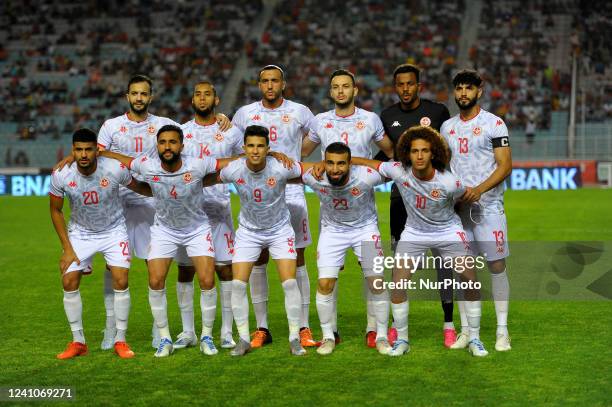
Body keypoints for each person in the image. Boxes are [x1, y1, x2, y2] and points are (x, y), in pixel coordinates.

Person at [352, 125, 488, 357]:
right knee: (397, 286)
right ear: (408, 154)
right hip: (414, 233)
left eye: (425, 150)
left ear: (432, 153)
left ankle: (474, 338)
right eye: (415, 151)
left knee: (469, 282)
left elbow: (464, 198)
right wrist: (343, 159)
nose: (420, 155)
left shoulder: (449, 182)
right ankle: (402, 339)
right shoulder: (399, 171)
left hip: (448, 231)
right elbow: (372, 164)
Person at [100, 125, 235, 357]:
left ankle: (206, 336)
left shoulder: (198, 163)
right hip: (164, 230)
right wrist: (103, 152)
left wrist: (261, 155)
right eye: (162, 142)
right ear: (157, 146)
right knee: (155, 281)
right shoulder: (147, 164)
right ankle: (164, 338)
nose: (167, 147)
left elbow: (227, 163)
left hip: (196, 228)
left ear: (181, 145)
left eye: (172, 142)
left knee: (206, 279)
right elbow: (127, 160)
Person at [301, 68, 395, 348]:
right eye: (335, 87)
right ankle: (330, 335)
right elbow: (301, 153)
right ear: (331, 92)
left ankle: (375, 332)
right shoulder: (320, 121)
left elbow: (390, 154)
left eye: (346, 86)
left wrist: (362, 167)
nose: (341, 91)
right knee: (327, 280)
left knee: (374, 277)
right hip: (332, 218)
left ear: (355, 91)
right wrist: (317, 165)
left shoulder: (370, 120)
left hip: (364, 213)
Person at [231, 65, 318, 348]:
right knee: (258, 260)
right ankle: (262, 328)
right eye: (265, 81)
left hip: (291, 190)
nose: (270, 86)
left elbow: (316, 136)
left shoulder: (301, 111)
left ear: (283, 84)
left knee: (298, 260)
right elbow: (234, 143)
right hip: (259, 191)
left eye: (275, 81)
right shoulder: (244, 113)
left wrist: (295, 156)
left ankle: (303, 327)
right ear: (259, 84)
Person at [50, 128, 151, 360]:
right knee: (68, 280)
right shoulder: (62, 174)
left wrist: (164, 190)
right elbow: (55, 210)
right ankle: (78, 341)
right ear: (72, 151)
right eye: (78, 150)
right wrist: (67, 248)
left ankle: (121, 340)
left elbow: (139, 187)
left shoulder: (114, 168)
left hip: (114, 231)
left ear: (97, 150)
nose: (83, 154)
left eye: (88, 149)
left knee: (121, 279)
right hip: (80, 233)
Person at [208, 125, 308, 356]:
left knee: (290, 283)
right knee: (238, 284)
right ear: (243, 148)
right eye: (251, 146)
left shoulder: (282, 167)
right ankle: (244, 338)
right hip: (249, 232)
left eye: (260, 146)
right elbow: (206, 177)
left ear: (268, 148)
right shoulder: (234, 170)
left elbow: (310, 170)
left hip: (280, 230)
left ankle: (294, 338)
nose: (255, 151)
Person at [376, 63, 457, 347]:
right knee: (401, 264)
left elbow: (448, 151)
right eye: (400, 84)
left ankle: (449, 324)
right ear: (395, 86)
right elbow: (382, 155)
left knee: (444, 263)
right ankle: (399, 327)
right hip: (402, 199)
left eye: (410, 84)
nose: (405, 89)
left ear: (418, 86)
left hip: (437, 200)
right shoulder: (387, 116)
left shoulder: (438, 112)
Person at [440, 69, 512, 352]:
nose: (462, 94)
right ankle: (469, 332)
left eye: (468, 88)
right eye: (458, 88)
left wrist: (479, 191)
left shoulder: (494, 123)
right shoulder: (447, 127)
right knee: (464, 272)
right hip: (457, 212)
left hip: (489, 207)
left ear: (479, 91)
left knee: (496, 266)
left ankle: (502, 331)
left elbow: (505, 165)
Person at [172, 81, 243, 350]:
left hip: (219, 210)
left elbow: (246, 161)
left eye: (208, 94)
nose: (202, 98)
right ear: (192, 100)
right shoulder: (181, 132)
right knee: (185, 270)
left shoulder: (231, 132)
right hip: (187, 212)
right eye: (198, 94)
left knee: (225, 270)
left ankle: (225, 331)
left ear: (216, 100)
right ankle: (188, 332)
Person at [301, 142, 391, 355]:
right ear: (324, 162)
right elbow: (287, 169)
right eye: (329, 163)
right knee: (324, 283)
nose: (334, 169)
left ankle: (382, 336)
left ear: (350, 164)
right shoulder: (314, 176)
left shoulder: (366, 176)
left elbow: (392, 169)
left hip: (365, 230)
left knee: (376, 282)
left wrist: (360, 160)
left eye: (341, 164)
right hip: (332, 232)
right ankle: (328, 337)